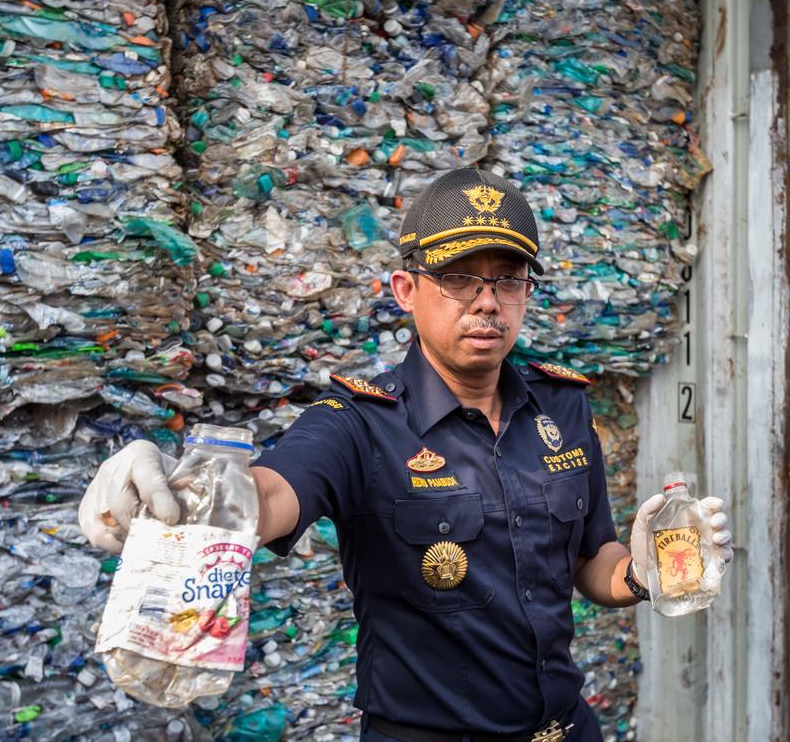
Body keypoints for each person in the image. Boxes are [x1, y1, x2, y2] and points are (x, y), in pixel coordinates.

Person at [78, 169, 734, 742]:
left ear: (528, 293)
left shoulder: (562, 408)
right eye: (458, 278)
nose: (486, 301)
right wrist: (183, 490)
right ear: (404, 289)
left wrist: (645, 572)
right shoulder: (359, 424)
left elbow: (593, 563)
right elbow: (271, 494)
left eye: (508, 281)